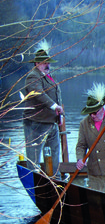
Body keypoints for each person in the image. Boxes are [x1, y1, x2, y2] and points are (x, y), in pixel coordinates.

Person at [22, 40, 64, 176]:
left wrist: (60, 115)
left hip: (51, 122)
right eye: (44, 62)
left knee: (54, 155)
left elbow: (57, 96)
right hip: (36, 123)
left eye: (48, 62)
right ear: (36, 63)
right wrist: (55, 106)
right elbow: (39, 94)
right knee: (34, 157)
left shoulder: (49, 77)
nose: (47, 65)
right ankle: (34, 181)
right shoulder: (33, 76)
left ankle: (55, 179)